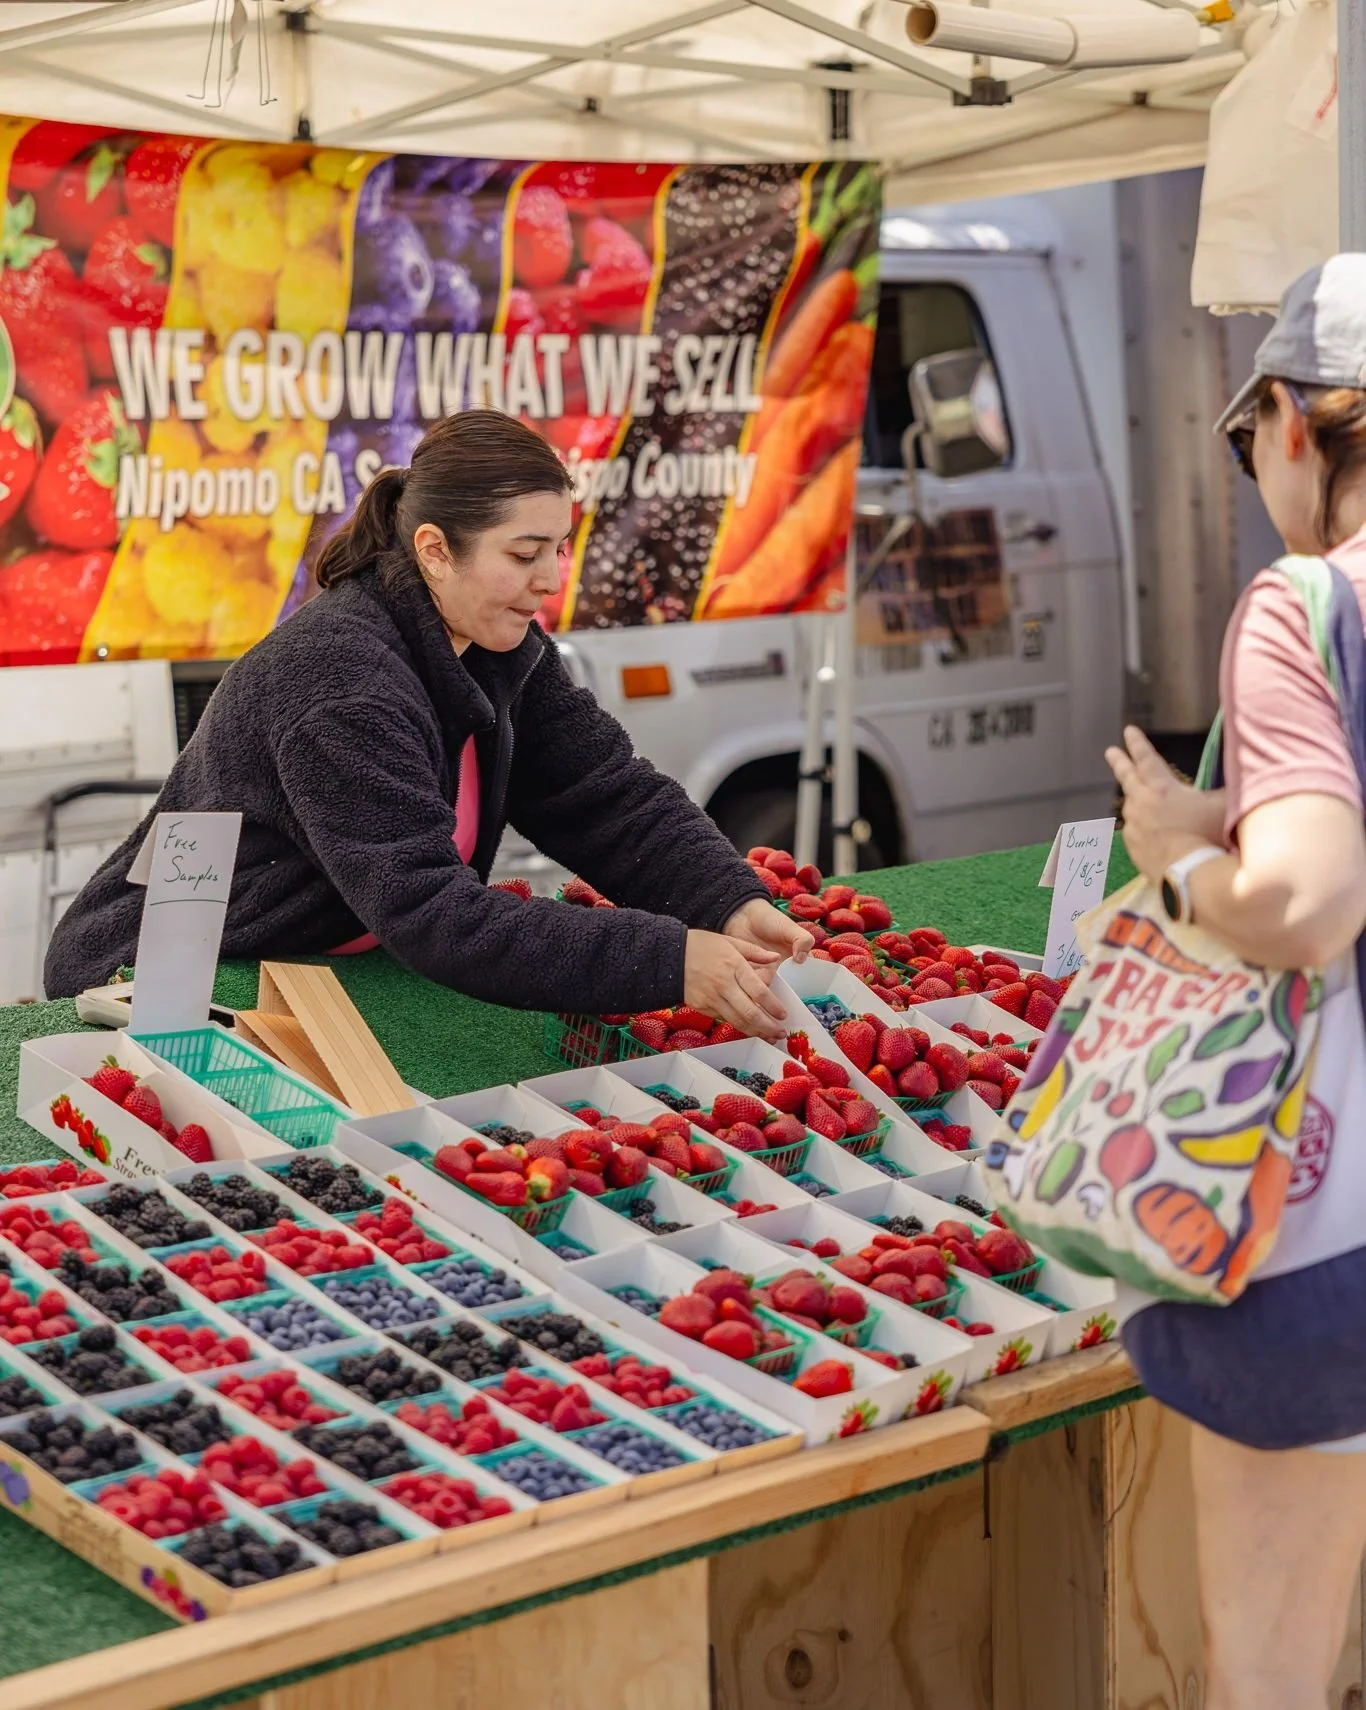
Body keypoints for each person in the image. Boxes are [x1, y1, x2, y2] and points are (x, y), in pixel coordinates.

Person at [45, 410, 812, 1032]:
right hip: (159, 975)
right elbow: (435, 914)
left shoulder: (499, 643)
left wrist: (726, 900)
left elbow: (605, 793)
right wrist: (669, 957)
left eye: (560, 549)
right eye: (524, 553)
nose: (550, 581)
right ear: (435, 551)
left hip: (317, 966)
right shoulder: (340, 683)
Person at [1106, 254, 1366, 1710]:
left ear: (1289, 419)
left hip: (1333, 1236)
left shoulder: (1305, 607)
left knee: (1267, 1677)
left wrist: (1178, 857)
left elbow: (1311, 903)